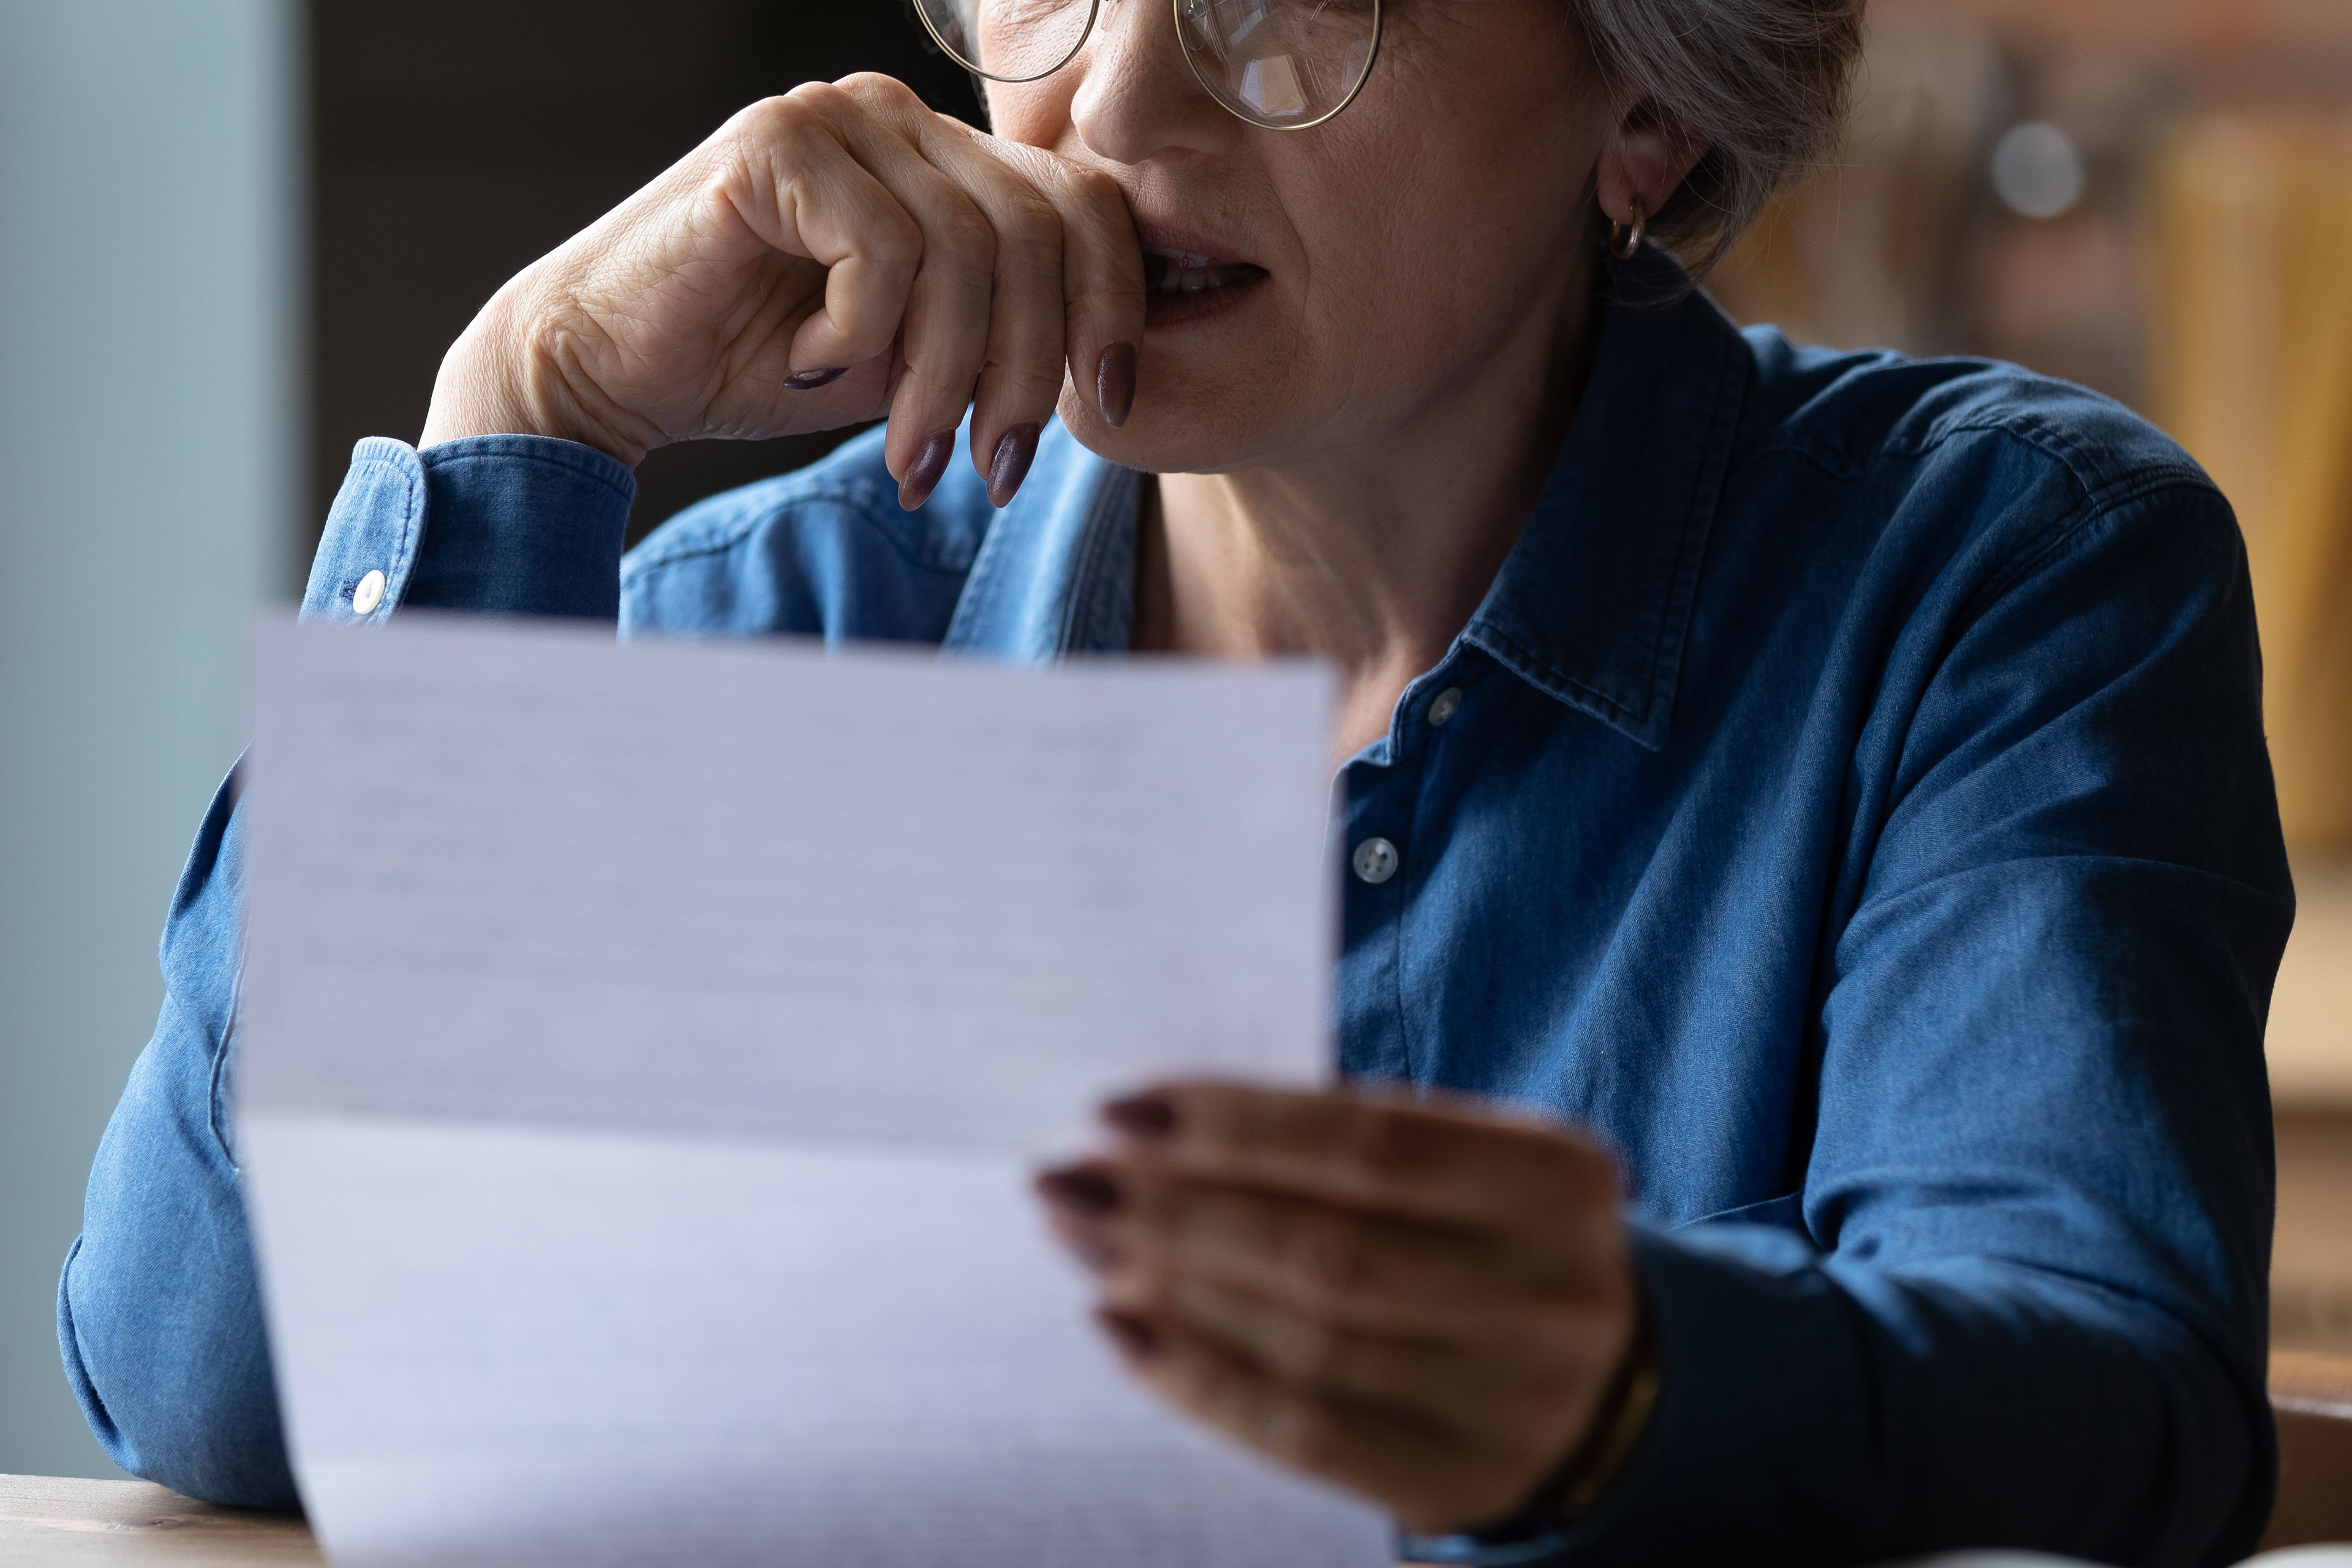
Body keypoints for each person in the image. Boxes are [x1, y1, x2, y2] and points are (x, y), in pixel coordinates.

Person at [60, 0, 2291, 1561]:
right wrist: (520, 410)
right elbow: (218, 1386)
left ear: (1647, 100)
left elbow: (2111, 1400)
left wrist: (1623, 1389)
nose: (1106, 106)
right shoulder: (783, 619)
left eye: (1287, 3)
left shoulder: (1995, 575)